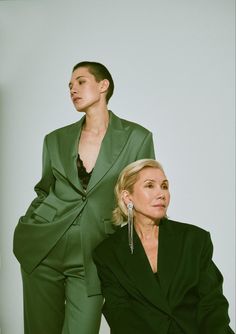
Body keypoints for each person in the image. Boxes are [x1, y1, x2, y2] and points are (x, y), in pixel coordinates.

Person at [13, 61, 155, 334]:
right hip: (44, 247)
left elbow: (143, 195)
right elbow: (44, 189)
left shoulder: (137, 138)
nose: (73, 90)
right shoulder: (54, 139)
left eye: (80, 81)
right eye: (69, 86)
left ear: (104, 86)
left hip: (94, 250)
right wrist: (31, 226)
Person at [93, 159, 234, 334]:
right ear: (127, 197)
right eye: (150, 186)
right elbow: (119, 313)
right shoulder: (108, 253)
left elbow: (212, 304)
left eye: (165, 186)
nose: (161, 194)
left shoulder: (194, 240)